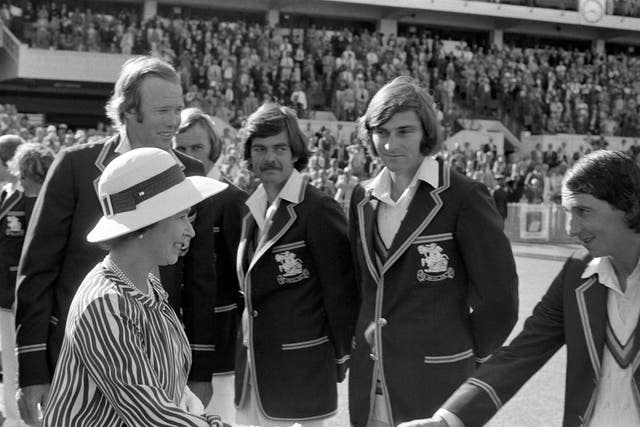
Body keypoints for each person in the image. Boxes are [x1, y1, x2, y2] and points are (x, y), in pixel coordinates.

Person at [15, 56, 218, 425]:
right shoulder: (75, 166)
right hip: (80, 358)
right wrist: (31, 368)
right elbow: (37, 272)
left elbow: (200, 281)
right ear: (128, 110)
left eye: (178, 109)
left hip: (158, 367)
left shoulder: (189, 172)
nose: (174, 122)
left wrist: (199, 369)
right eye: (162, 110)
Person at [398, 150, 640, 427]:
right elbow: (521, 353)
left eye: (583, 211)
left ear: (629, 204)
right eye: (568, 213)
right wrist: (447, 421)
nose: (572, 229)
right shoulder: (576, 274)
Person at [348, 76, 518, 427]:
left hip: (437, 383)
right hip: (370, 380)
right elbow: (362, 286)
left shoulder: (464, 195)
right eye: (381, 131)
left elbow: (499, 298)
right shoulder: (361, 197)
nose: (390, 143)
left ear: (426, 132)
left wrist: (468, 354)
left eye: (404, 131)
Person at [41, 147, 228, 426]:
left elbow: (165, 388)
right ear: (144, 224)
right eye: (180, 217)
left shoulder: (147, 286)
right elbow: (151, 415)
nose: (190, 230)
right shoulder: (106, 303)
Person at [235, 103, 358, 426]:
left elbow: (341, 292)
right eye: (259, 149)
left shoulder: (318, 209)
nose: (269, 158)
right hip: (252, 374)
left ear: (295, 153)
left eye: (279, 148)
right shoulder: (251, 209)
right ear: (249, 155)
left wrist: (341, 358)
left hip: (301, 373)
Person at [175, 108, 248, 421]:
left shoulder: (233, 199)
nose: (189, 156)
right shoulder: (171, 197)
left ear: (214, 150)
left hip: (218, 341)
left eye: (197, 148)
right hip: (176, 338)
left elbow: (240, 277)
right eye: (182, 148)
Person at [0, 141, 54, 427]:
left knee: (20, 362)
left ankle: (19, 419)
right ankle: (14, 418)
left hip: (20, 296)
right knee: (13, 361)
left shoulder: (37, 201)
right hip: (12, 295)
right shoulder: (12, 196)